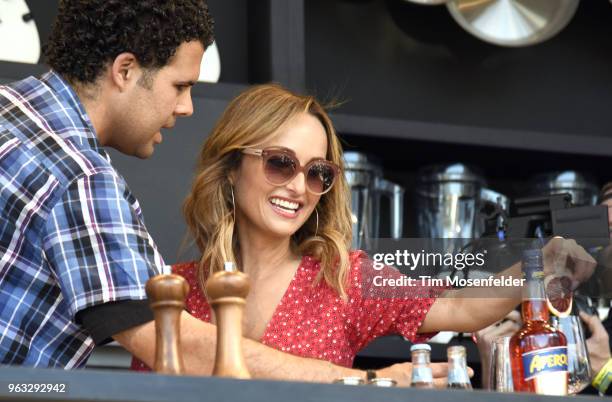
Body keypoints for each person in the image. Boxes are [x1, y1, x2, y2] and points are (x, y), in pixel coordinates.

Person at [130, 83, 596, 385]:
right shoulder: (171, 289)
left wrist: (545, 261)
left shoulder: (341, 278)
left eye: (318, 173)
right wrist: (375, 383)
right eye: (280, 163)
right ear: (232, 168)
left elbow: (459, 306)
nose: (298, 187)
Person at [0, 0, 213, 367]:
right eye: (180, 86)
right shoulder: (81, 177)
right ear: (125, 70)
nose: (186, 107)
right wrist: (336, 381)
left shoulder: (9, 106)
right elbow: (175, 343)